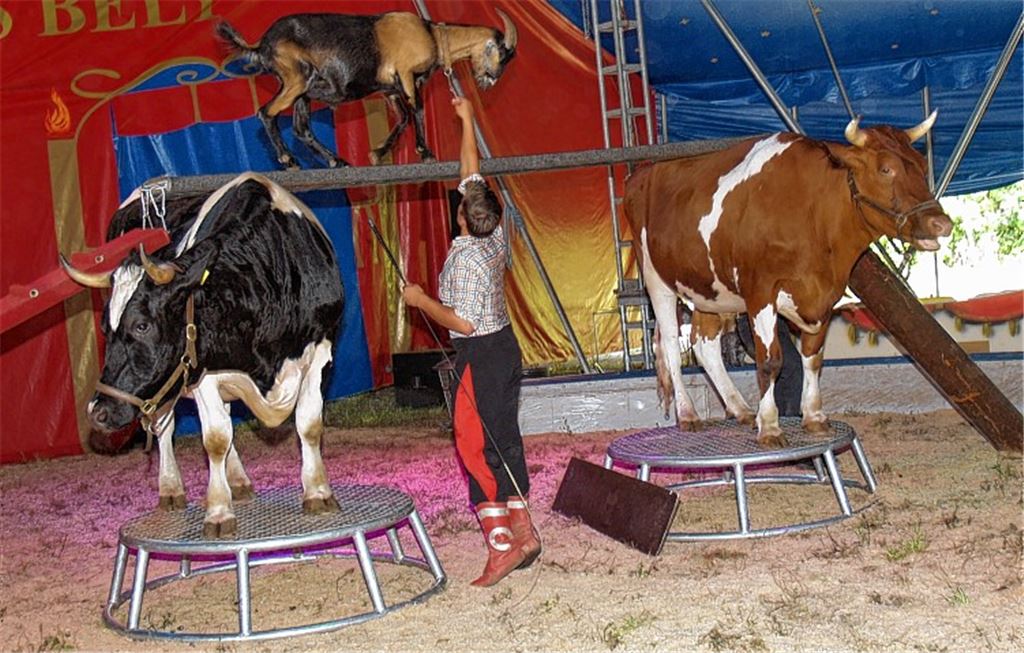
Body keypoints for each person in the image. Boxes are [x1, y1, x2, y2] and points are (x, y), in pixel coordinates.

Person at [402, 96, 540, 587]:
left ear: (462, 217)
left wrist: (419, 299)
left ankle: (501, 545)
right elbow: (472, 173)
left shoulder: (463, 259)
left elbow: (459, 323)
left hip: (478, 354)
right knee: (505, 436)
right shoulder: (494, 236)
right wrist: (465, 120)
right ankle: (524, 528)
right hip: (506, 346)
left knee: (474, 446)